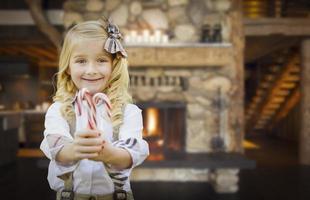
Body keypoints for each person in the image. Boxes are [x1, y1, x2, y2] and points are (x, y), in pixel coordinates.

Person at [40, 18, 149, 200]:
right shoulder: (58, 110)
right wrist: (75, 149)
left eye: (101, 60)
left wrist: (109, 154)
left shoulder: (128, 112)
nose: (91, 70)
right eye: (81, 61)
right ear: (68, 67)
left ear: (113, 65)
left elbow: (131, 155)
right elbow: (56, 150)